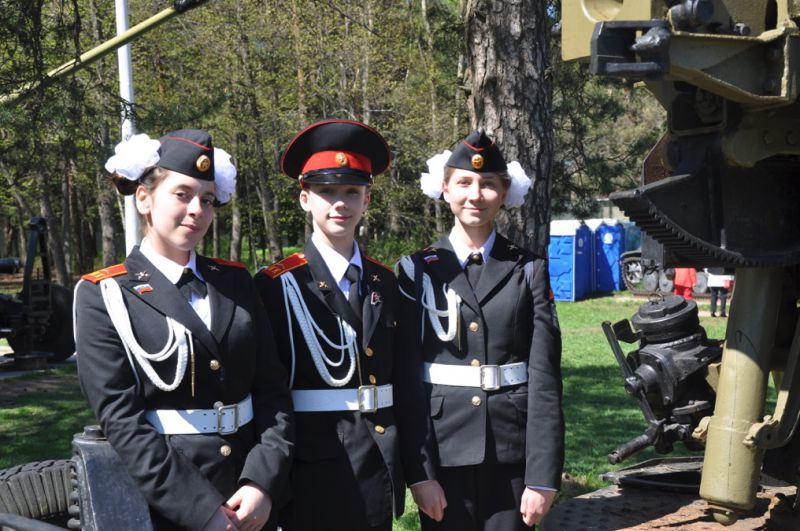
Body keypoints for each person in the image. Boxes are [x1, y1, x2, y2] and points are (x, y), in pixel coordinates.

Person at [75, 129, 294, 531]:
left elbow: (272, 391)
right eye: (182, 194)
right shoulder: (104, 294)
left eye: (207, 200)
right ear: (144, 198)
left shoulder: (236, 282)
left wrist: (262, 482)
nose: (197, 210)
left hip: (250, 499)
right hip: (171, 505)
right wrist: (202, 511)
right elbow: (122, 421)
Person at [254, 120, 434, 531]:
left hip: (376, 464)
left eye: (352, 192)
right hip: (308, 468)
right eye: (327, 192)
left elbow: (404, 380)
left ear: (367, 198)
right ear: (305, 199)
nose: (340, 203)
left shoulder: (385, 281)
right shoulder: (276, 285)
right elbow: (266, 389)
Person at [397, 130, 564, 530]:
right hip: (443, 453)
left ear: (504, 192)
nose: (475, 195)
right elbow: (406, 380)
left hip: (511, 453)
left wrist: (542, 477)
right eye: (464, 183)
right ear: (445, 189)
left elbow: (544, 379)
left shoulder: (528, 269)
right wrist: (419, 473)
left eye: (488, 184)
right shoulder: (416, 270)